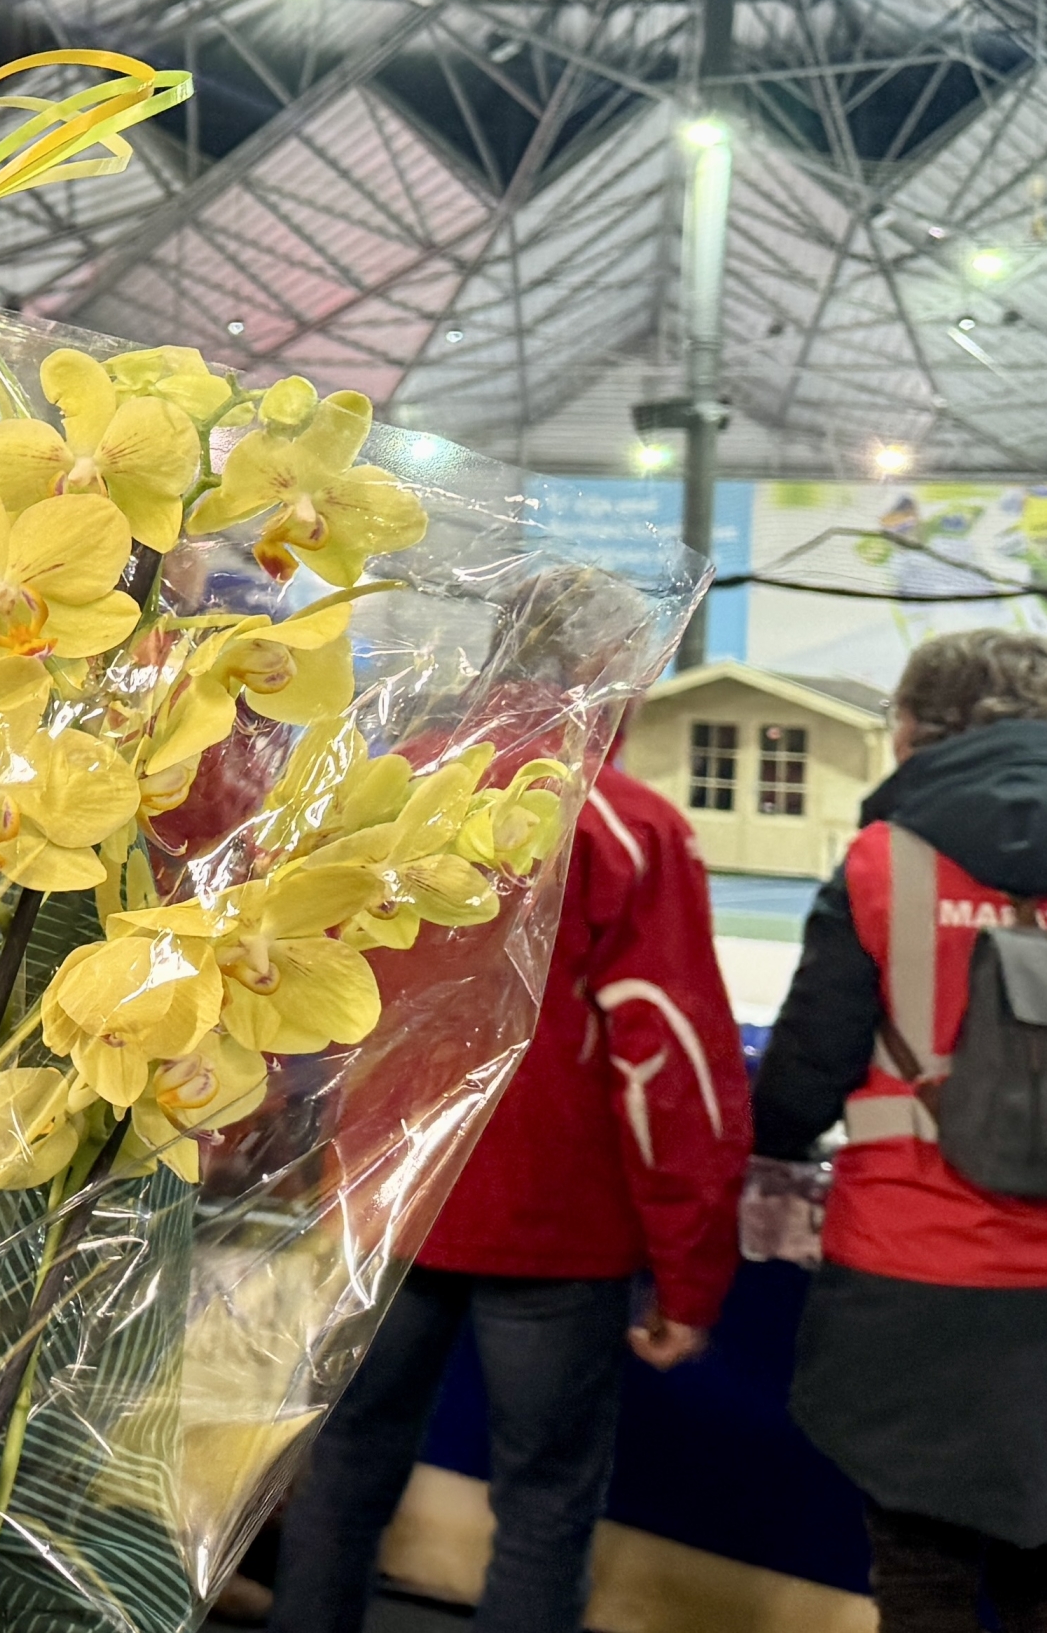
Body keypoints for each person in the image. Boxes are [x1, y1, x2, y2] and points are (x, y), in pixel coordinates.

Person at [268, 582, 753, 1633]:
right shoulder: (623, 825)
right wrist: (691, 1268)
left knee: (344, 1464)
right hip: (552, 1223)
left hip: (386, 1195)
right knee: (543, 1499)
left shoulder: (388, 787)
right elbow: (669, 1067)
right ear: (612, 669)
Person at [753, 630, 1047, 1633]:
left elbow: (800, 1084)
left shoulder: (882, 868)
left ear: (921, 730)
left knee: (919, 1570)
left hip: (910, 1276)